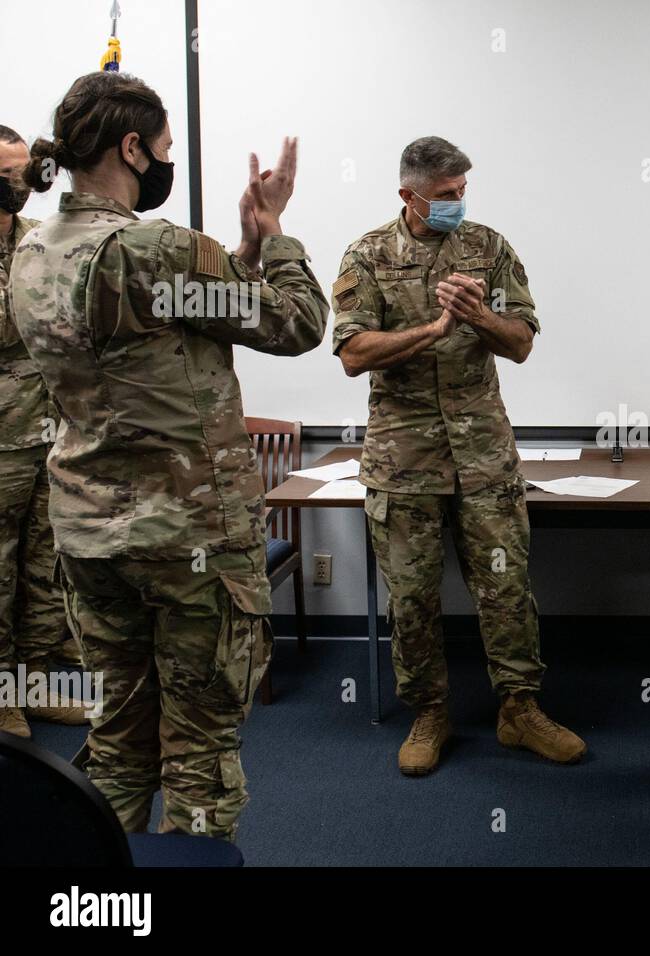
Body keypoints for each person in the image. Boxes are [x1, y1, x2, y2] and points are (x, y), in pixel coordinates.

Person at [9, 72, 328, 839]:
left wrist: (240, 252)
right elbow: (298, 321)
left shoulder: (33, 250)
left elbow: (163, 318)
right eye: (164, 149)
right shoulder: (158, 249)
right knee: (200, 751)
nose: (167, 160)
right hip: (188, 545)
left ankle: (101, 898)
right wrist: (275, 233)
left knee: (118, 740)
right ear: (131, 147)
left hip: (88, 538)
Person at [332, 136, 585, 775]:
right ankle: (429, 713)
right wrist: (432, 331)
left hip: (483, 457)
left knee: (505, 587)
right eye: (446, 195)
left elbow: (522, 342)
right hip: (404, 460)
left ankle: (519, 710)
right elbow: (354, 353)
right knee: (413, 596)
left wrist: (478, 318)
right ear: (408, 195)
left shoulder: (489, 249)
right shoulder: (366, 256)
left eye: (463, 191)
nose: (458, 204)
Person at [0, 124, 85, 738]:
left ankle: (35, 682)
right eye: (4, 175)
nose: (17, 185)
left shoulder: (36, 243)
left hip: (52, 432)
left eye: (23, 171)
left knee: (43, 566)